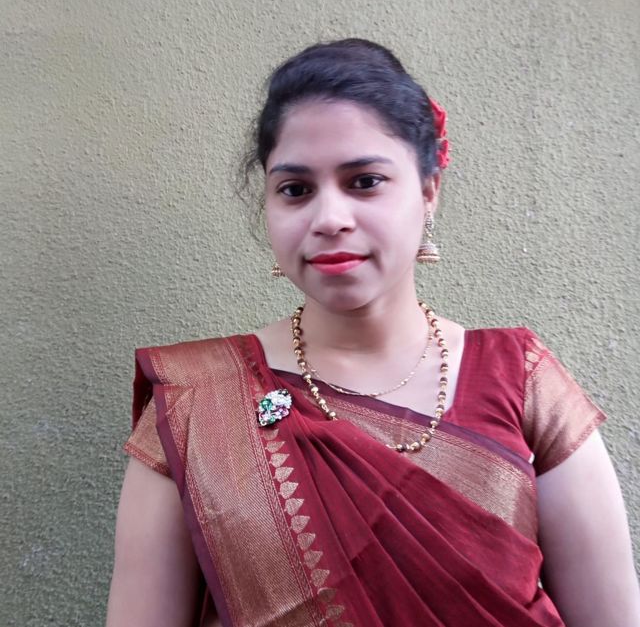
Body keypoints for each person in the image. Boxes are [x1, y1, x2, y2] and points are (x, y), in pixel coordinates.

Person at [106, 38, 640, 627]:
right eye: (295, 190)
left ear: (429, 191)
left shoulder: (522, 380)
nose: (329, 218)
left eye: (364, 181)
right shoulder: (197, 403)